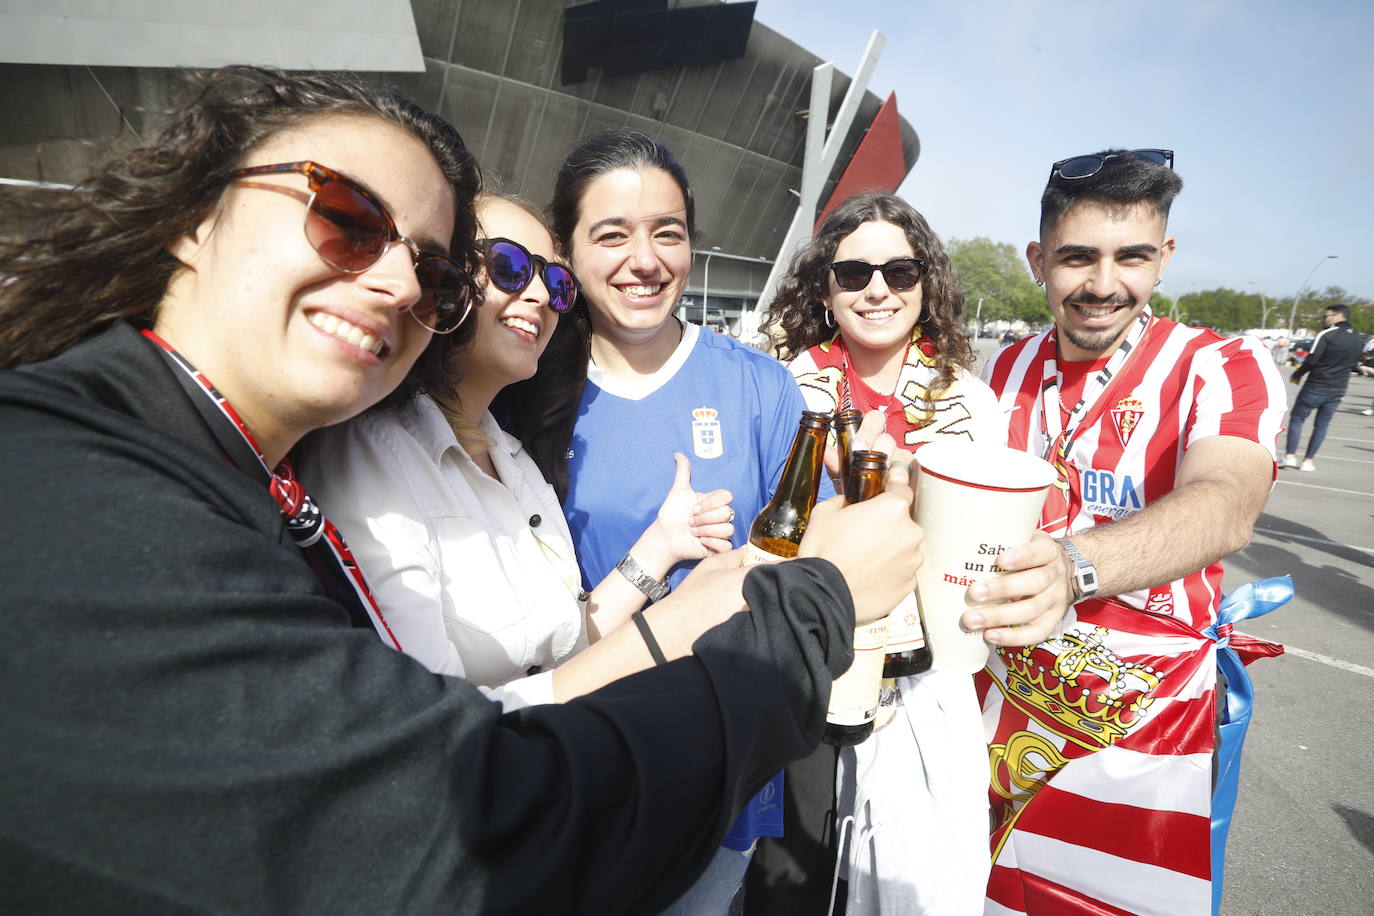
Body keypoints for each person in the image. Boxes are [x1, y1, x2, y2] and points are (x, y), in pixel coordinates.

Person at [0, 67, 930, 913]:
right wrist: (809, 603)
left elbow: (549, 656)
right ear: (192, 219)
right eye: (346, 216)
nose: (400, 280)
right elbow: (457, 812)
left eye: (438, 268)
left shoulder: (460, 455)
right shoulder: (67, 477)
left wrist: (670, 579)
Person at [974, 148, 1286, 914]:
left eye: (1132, 257)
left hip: (1144, 714)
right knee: (980, 892)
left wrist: (1075, 565)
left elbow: (1226, 499)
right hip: (1003, 691)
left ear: (1166, 257)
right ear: (1038, 260)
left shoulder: (1223, 364)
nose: (1104, 284)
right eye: (1077, 258)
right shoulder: (1003, 367)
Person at [298, 191, 735, 702]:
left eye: (555, 282)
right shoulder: (367, 453)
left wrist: (662, 544)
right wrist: (663, 634)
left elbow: (567, 649)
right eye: (507, 266)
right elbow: (430, 723)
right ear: (446, 275)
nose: (539, 296)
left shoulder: (514, 458)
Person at [548, 128, 823, 913]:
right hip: (571, 764)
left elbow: (814, 555)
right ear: (565, 250)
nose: (645, 260)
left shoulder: (760, 387)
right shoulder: (533, 389)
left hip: (717, 772)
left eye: (667, 233)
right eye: (612, 234)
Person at [757, 190, 1003, 914]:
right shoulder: (778, 388)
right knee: (789, 880)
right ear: (823, 289)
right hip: (805, 661)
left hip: (925, 677)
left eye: (900, 272)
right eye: (853, 273)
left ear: (926, 285)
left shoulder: (970, 400)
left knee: (913, 882)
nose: (876, 290)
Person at [1281, 303, 1364, 470]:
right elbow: (1354, 363)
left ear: (1338, 316)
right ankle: (1308, 461)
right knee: (1322, 425)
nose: (1324, 319)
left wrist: (1297, 374)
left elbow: (1312, 360)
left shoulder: (1327, 334)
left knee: (1298, 419)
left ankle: (1290, 456)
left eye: (1327, 316)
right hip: (1339, 388)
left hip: (1317, 385)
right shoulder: (1357, 337)